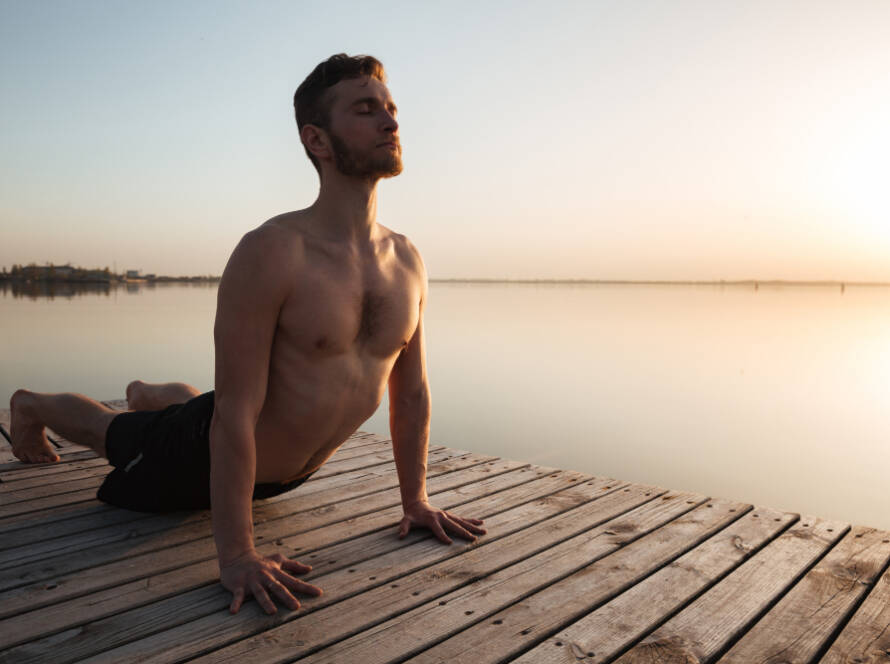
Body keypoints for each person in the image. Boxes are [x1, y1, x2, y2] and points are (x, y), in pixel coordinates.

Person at [6, 53, 485, 615]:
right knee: (113, 431)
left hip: (283, 476)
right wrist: (237, 554)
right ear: (318, 140)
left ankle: (152, 396)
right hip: (198, 457)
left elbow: (413, 395)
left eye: (390, 108)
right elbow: (233, 414)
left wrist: (416, 500)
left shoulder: (407, 258)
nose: (390, 121)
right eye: (365, 109)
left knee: (205, 406)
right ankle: (31, 404)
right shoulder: (274, 252)